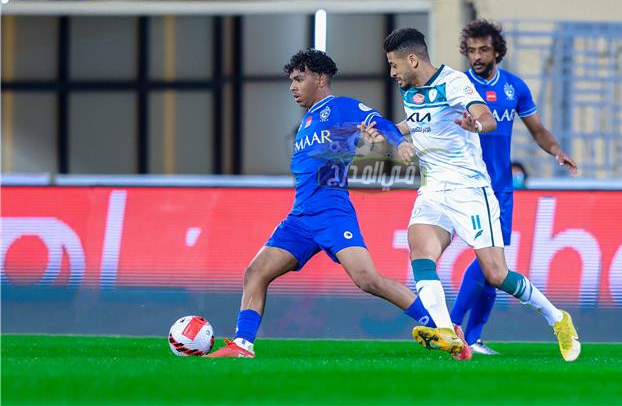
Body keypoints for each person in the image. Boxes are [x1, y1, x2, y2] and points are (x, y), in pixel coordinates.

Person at [206, 49, 436, 358]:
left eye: (299, 79)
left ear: (321, 78)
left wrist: (401, 143)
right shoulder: (307, 122)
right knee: (255, 272)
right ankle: (243, 345)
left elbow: (380, 123)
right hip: (300, 218)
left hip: (331, 213)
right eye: (291, 81)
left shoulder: (339, 107)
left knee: (368, 280)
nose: (293, 87)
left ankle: (440, 326)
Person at [373, 27, 580, 361]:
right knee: (420, 252)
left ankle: (557, 318)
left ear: (412, 60)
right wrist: (387, 134)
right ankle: (448, 333)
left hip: (470, 190)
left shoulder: (454, 83)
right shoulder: (411, 89)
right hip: (433, 189)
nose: (392, 73)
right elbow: (416, 122)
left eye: (395, 65)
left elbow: (485, 116)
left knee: (496, 274)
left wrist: (477, 125)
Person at [449, 19, 580, 357]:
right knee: (487, 263)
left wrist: (556, 151)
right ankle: (451, 325)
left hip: (501, 189)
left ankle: (468, 336)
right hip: (463, 184)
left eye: (484, 50)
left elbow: (537, 129)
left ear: (497, 52)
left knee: (494, 267)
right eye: (472, 50)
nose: (477, 56)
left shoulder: (514, 88)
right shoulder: (457, 85)